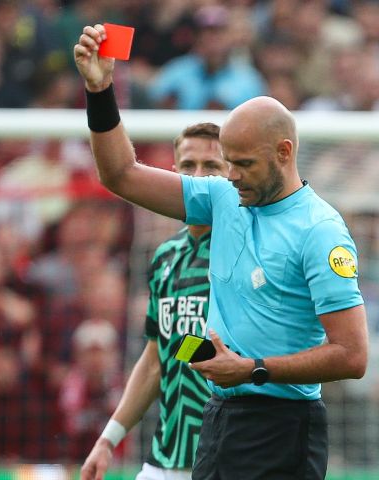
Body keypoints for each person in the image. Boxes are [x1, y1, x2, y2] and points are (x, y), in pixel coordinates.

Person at [74, 25, 367, 479]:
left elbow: (352, 355)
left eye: (244, 164)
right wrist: (100, 88)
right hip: (219, 419)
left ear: (284, 153)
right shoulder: (222, 198)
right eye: (227, 161)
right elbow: (120, 175)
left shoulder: (321, 231)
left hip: (282, 428)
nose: (231, 175)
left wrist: (252, 370)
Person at [80, 123, 227, 480]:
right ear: (174, 175)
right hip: (165, 456)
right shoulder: (166, 257)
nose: (199, 177)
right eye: (189, 166)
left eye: (211, 167)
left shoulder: (240, 252)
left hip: (225, 458)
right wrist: (108, 438)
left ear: (231, 174)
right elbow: (154, 359)